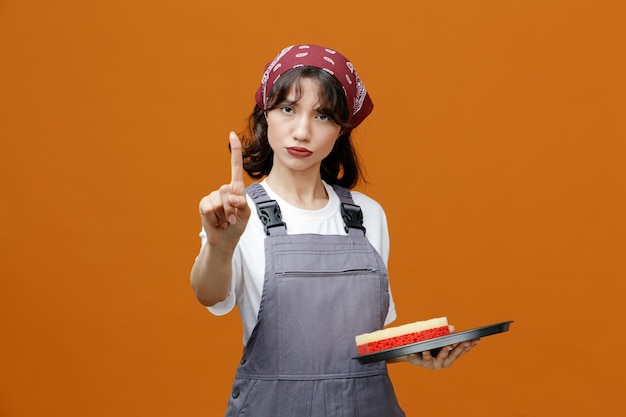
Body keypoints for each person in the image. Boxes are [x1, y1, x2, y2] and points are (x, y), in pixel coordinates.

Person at [190, 44, 479, 416]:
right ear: (266, 117)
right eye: (288, 109)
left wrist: (413, 353)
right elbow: (208, 295)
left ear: (342, 130)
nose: (302, 131)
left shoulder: (367, 215)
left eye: (323, 116)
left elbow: (357, 348)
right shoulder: (236, 214)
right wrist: (220, 244)